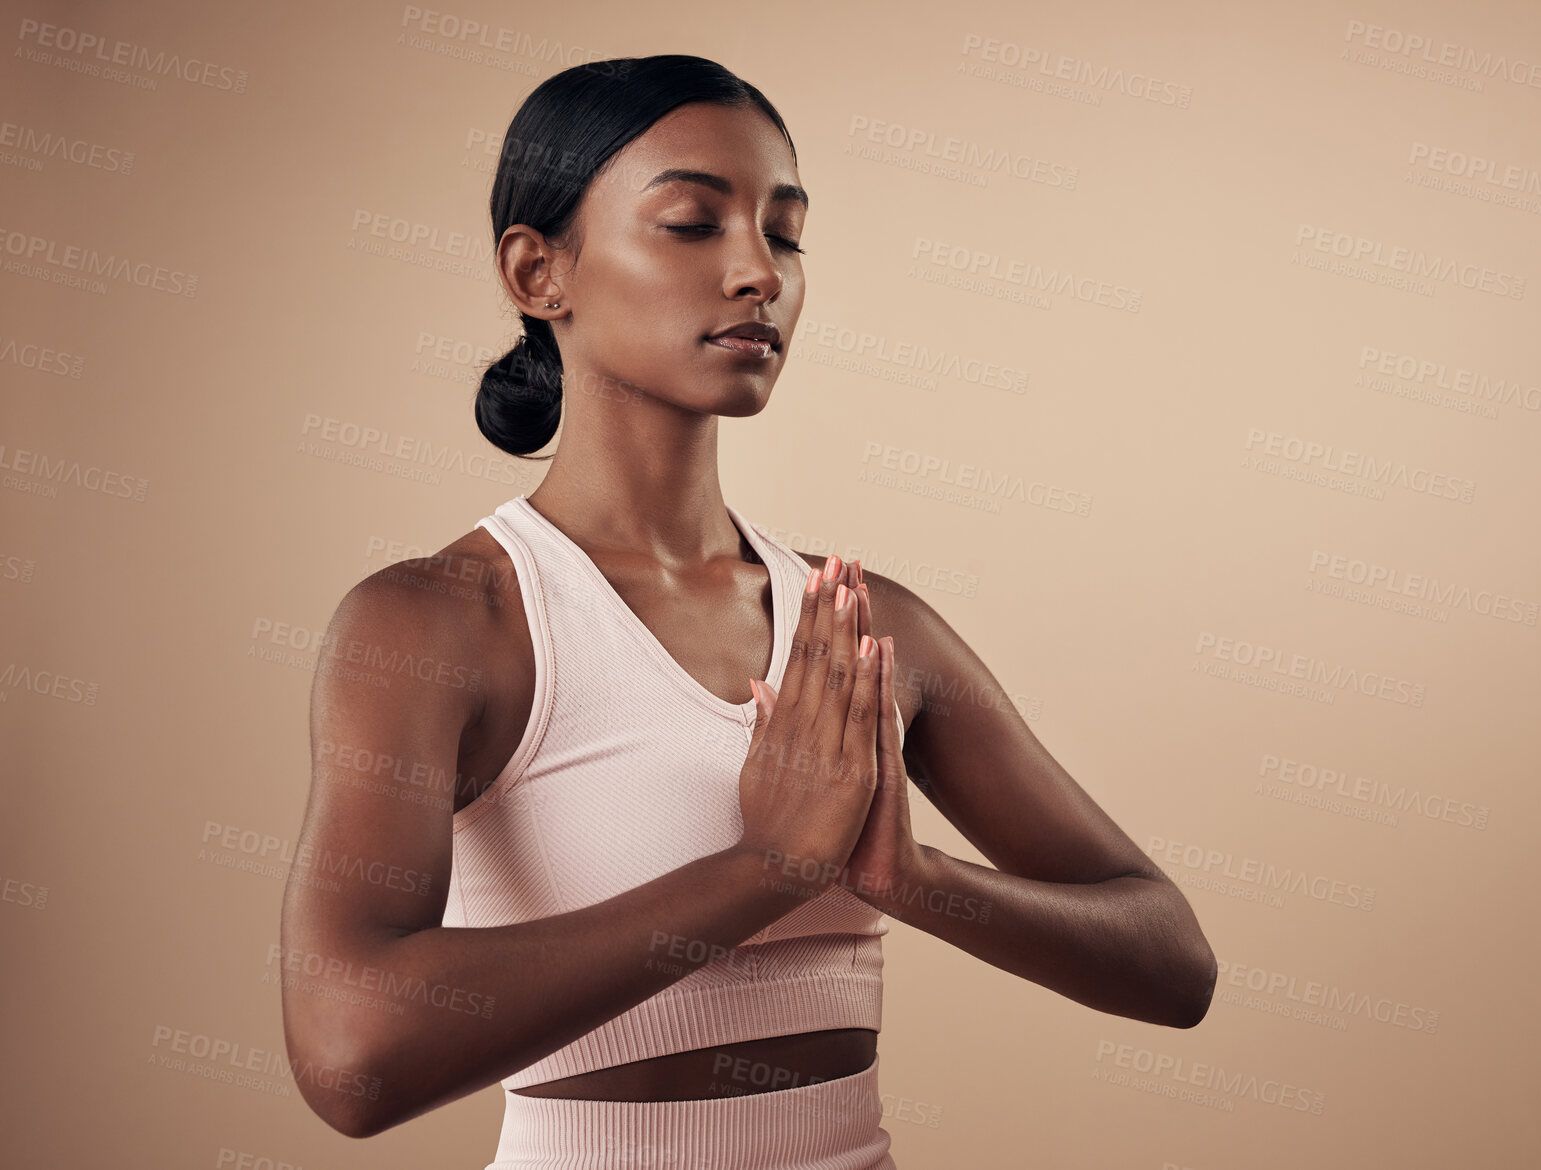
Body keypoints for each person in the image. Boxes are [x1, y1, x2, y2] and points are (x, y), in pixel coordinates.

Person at [280, 54, 1217, 1169]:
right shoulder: (441, 625)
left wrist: (907, 881)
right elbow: (349, 1056)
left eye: (785, 233)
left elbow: (1171, 964)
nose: (756, 273)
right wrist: (761, 871)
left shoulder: (862, 626)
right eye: (690, 223)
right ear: (538, 273)